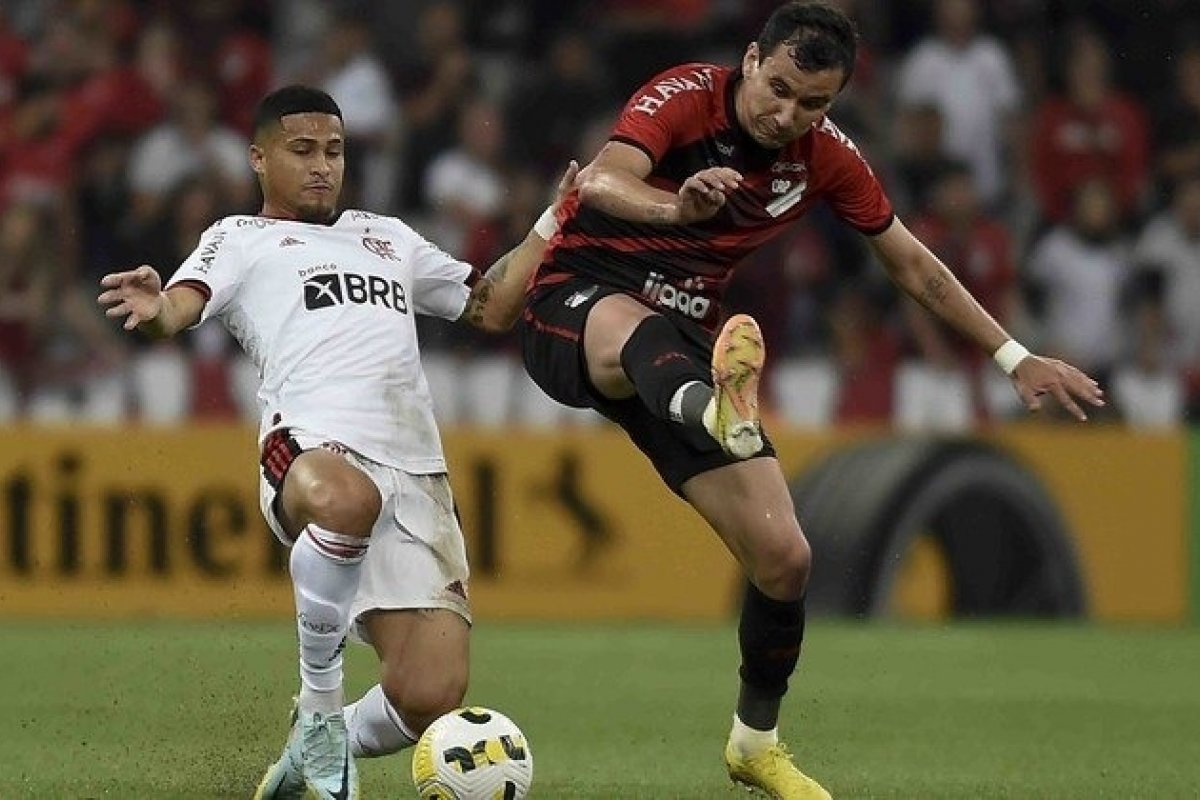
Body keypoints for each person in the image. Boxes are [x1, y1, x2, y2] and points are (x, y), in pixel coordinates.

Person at [518, 3, 1104, 798]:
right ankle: (708, 408)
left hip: (689, 348)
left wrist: (1013, 354)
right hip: (575, 303)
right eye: (781, 89)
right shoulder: (685, 94)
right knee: (634, 328)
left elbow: (912, 264)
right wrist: (676, 205)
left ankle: (755, 744)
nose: (788, 113)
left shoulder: (826, 157)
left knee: (786, 558)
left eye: (813, 103)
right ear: (752, 60)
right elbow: (604, 179)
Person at [98, 86, 572, 800]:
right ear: (259, 159)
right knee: (348, 501)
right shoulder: (239, 239)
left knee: (428, 694)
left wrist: (551, 220)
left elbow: (490, 306)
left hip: (416, 474)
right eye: (302, 150)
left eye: (335, 150)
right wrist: (155, 305)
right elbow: (179, 307)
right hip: (308, 446)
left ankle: (312, 750)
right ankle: (318, 707)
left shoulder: (388, 237)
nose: (323, 166)